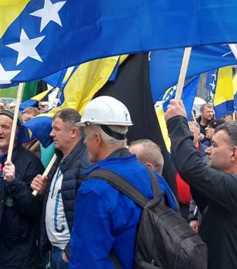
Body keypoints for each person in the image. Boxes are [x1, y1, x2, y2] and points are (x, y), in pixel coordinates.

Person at [165, 98, 237, 269]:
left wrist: (177, 122)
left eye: (214, 145)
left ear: (234, 153)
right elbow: (199, 183)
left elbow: (191, 169)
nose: (207, 150)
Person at [70, 96, 176, 269]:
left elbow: (87, 260)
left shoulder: (94, 189)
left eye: (86, 135)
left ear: (97, 138)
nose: (84, 141)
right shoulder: (153, 176)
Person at [0, 110, 44, 269]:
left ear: (17, 131)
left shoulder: (30, 163)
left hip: (11, 248)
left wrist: (14, 182)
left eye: (6, 127)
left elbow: (33, 207)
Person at [30, 109, 90, 269]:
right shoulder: (59, 159)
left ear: (74, 132)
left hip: (68, 253)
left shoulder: (84, 165)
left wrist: (69, 252)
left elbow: (87, 216)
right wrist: (43, 192)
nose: (51, 134)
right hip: (54, 249)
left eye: (56, 129)